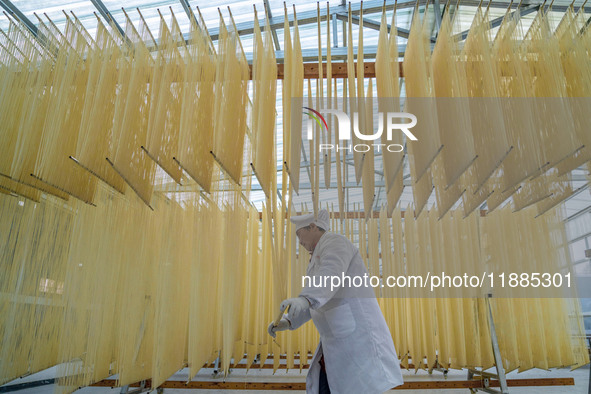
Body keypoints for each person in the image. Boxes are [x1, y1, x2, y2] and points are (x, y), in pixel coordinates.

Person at [267, 209, 403, 394]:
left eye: (300, 235)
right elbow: (319, 299)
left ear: (313, 227)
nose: (299, 242)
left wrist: (305, 299)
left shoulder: (335, 242)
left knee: (354, 386)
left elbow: (330, 276)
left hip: (355, 340)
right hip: (336, 339)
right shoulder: (317, 256)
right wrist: (290, 321)